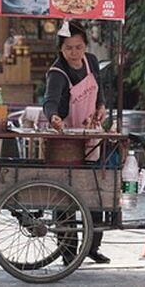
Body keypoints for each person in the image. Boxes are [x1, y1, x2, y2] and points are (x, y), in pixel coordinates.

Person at [42, 21, 109, 265]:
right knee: (66, 195)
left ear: (85, 46)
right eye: (69, 48)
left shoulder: (91, 61)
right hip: (66, 140)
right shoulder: (57, 72)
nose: (74, 52)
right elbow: (49, 102)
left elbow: (99, 90)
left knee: (95, 190)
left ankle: (92, 246)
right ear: (61, 49)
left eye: (78, 47)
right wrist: (53, 117)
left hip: (91, 134)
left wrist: (101, 106)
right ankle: (68, 250)